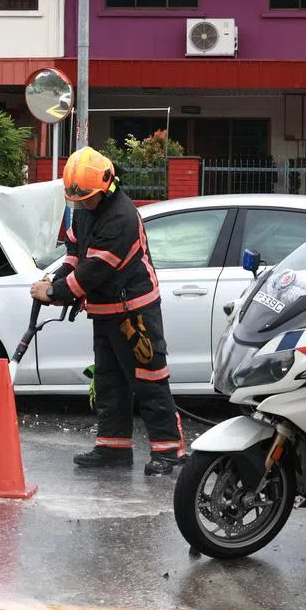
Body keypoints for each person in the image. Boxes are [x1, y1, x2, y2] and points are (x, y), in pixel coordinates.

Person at [30, 146, 187, 475]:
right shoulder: (88, 207)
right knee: (109, 380)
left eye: (87, 197)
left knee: (148, 380)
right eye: (78, 198)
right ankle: (113, 448)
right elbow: (76, 252)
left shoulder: (121, 218)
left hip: (135, 311)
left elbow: (94, 271)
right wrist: (56, 277)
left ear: (107, 187)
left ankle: (169, 451)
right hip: (105, 311)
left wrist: (56, 292)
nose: (82, 203)